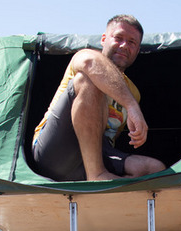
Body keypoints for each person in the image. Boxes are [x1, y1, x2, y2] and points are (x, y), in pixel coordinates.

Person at [32, 15, 166, 181]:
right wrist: (132, 107)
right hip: (57, 153)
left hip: (98, 154)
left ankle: (104, 184)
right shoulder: (87, 57)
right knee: (88, 80)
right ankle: (97, 175)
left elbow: (111, 133)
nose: (124, 45)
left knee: (155, 169)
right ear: (104, 39)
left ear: (137, 50)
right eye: (118, 38)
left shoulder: (133, 92)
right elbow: (89, 62)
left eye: (132, 42)